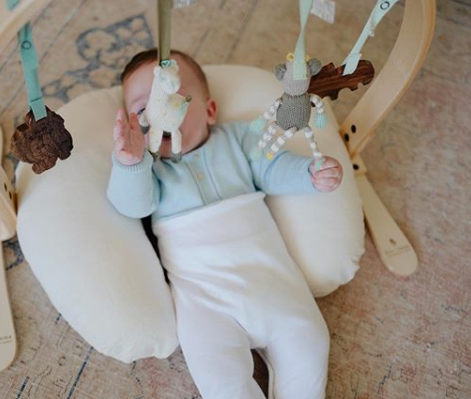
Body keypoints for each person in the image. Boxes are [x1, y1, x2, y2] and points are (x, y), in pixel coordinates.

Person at [106, 48, 343, 399]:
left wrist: (309, 174)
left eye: (173, 97)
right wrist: (130, 162)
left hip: (271, 283)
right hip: (205, 301)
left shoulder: (238, 138)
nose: (160, 112)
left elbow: (273, 167)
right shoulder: (151, 170)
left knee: (308, 341)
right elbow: (132, 205)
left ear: (210, 111)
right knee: (220, 378)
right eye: (143, 109)